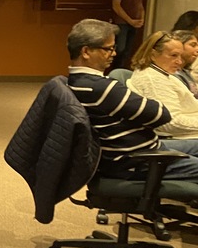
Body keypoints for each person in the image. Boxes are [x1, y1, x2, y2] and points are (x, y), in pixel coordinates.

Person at [65, 19, 198, 181]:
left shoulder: (78, 82)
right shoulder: (102, 88)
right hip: (136, 161)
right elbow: (161, 115)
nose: (114, 53)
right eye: (108, 49)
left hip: (141, 150)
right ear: (86, 52)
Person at [126, 31, 198, 138]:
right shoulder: (152, 79)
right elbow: (170, 122)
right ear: (153, 55)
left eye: (180, 56)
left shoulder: (162, 74)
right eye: (174, 55)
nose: (179, 61)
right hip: (179, 137)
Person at [110, 0, 145, 69]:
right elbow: (116, 6)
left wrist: (142, 18)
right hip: (122, 23)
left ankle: (121, 70)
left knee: (128, 50)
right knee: (120, 48)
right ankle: (114, 70)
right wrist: (130, 20)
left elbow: (140, 4)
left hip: (134, 23)